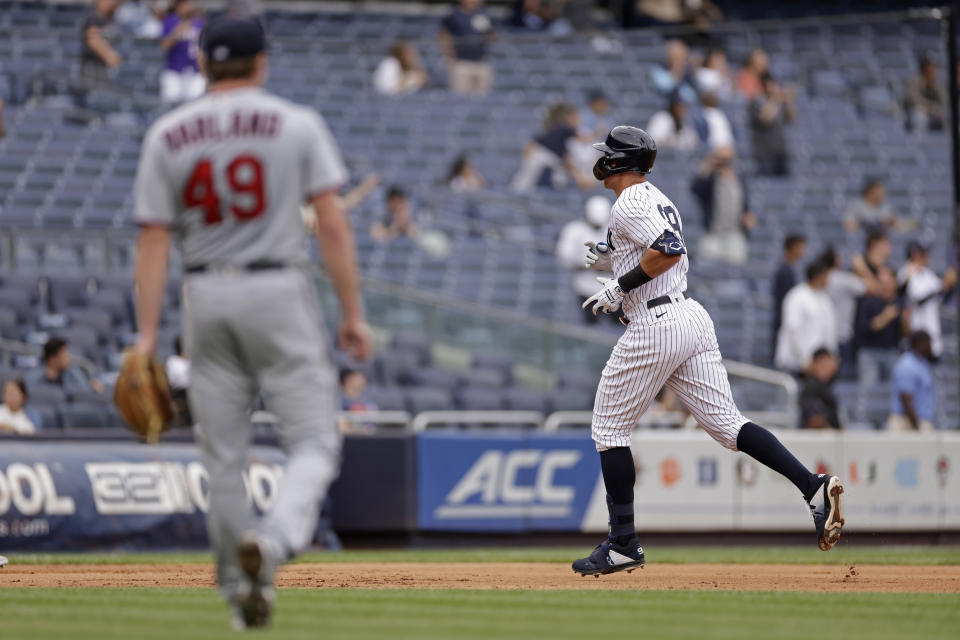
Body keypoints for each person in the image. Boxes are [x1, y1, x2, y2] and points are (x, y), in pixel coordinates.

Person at [131, 15, 372, 629]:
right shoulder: (296, 123)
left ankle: (241, 592)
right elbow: (335, 224)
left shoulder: (168, 133)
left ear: (205, 64)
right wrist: (352, 314)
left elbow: (153, 238)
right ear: (262, 62)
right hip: (277, 285)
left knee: (223, 457)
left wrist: (148, 336)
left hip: (204, 293)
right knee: (315, 440)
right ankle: (274, 542)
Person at [572, 126, 844, 577]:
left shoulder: (629, 200)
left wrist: (619, 284)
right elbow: (657, 248)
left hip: (658, 321)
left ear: (620, 162)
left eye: (608, 155)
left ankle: (623, 542)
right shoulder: (656, 197)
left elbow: (669, 249)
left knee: (609, 427)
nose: (601, 160)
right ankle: (812, 486)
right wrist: (611, 255)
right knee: (728, 425)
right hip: (688, 317)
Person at [854, 266, 908, 422]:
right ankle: (862, 421)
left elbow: (904, 334)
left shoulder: (899, 303)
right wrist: (885, 317)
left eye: (887, 281)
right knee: (868, 390)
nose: (884, 285)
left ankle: (893, 419)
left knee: (895, 389)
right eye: (881, 281)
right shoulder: (869, 302)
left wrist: (905, 321)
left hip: (892, 352)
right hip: (869, 353)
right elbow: (863, 329)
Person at [690, 146, 755, 266]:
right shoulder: (710, 179)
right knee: (706, 270)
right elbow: (695, 189)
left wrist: (747, 215)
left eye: (727, 159)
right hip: (713, 233)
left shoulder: (739, 179)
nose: (724, 162)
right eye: (721, 158)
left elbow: (744, 203)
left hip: (735, 233)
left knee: (736, 271)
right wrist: (708, 166)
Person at [556, 195, 615, 323]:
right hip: (585, 287)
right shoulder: (574, 230)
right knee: (589, 325)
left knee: (619, 327)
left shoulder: (617, 231)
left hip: (613, 289)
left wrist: (607, 265)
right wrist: (591, 265)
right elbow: (565, 257)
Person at [511, 103, 594, 192]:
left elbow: (566, 158)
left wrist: (579, 177)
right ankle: (517, 191)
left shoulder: (563, 135)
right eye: (576, 117)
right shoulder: (564, 128)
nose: (578, 120)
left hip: (552, 157)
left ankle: (555, 195)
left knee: (560, 176)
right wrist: (597, 133)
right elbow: (582, 138)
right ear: (570, 117)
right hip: (542, 153)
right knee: (526, 177)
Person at [775, 261, 837, 375]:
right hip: (794, 364)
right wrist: (804, 360)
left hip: (817, 365)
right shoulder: (796, 296)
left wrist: (829, 358)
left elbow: (828, 332)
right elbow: (793, 329)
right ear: (818, 276)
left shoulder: (825, 299)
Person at [898, 241, 956, 359]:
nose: (927, 256)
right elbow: (918, 300)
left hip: (932, 332)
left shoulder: (927, 274)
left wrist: (950, 285)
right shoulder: (906, 272)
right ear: (916, 255)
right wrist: (943, 286)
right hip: (917, 333)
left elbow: (942, 296)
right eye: (924, 253)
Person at [820, 247, 873, 370]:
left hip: (823, 335)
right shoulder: (842, 279)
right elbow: (872, 287)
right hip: (841, 336)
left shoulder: (821, 279)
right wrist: (862, 267)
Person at [438, 0, 496, 96]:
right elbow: (443, 35)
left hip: (482, 62)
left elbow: (493, 37)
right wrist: (450, 56)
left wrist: (486, 28)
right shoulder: (453, 14)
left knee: (484, 98)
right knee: (460, 98)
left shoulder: (484, 14)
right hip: (461, 62)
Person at [159, 0, 206, 104]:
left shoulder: (199, 22)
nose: (189, 6)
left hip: (195, 72)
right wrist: (178, 31)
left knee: (196, 103)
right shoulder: (170, 21)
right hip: (174, 71)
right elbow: (164, 46)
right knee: (171, 103)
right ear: (178, 5)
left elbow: (203, 48)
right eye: (186, 4)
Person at [888, 331, 936, 432]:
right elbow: (906, 398)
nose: (931, 346)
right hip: (906, 422)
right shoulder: (907, 365)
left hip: (919, 420)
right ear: (919, 343)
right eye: (928, 343)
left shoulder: (923, 363)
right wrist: (916, 427)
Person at [749, 73, 795, 176]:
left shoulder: (779, 103)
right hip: (765, 154)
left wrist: (788, 101)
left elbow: (791, 119)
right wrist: (776, 99)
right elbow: (765, 119)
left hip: (780, 152)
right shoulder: (757, 102)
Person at [26, 337, 105, 395]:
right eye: (64, 356)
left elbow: (82, 391)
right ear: (53, 359)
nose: (68, 359)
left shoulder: (73, 373)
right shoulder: (34, 376)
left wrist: (92, 388)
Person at [771, 234, 806, 358]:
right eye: (801, 247)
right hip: (783, 323)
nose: (804, 250)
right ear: (793, 247)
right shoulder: (785, 271)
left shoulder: (790, 269)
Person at [80, 0, 122, 90]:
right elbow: (93, 40)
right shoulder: (93, 18)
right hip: (92, 68)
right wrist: (109, 55)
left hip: (104, 69)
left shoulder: (111, 18)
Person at [799, 348, 841, 430]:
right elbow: (813, 420)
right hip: (817, 438)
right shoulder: (811, 387)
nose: (830, 367)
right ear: (815, 364)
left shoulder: (825, 387)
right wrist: (832, 432)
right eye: (824, 363)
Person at [649, 39, 697, 103]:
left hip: (683, 109)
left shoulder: (687, 73)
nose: (682, 60)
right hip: (663, 108)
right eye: (678, 57)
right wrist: (676, 69)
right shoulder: (658, 69)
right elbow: (666, 88)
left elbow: (691, 96)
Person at [905, 55, 945, 132]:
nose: (933, 70)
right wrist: (933, 109)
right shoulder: (914, 82)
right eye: (930, 67)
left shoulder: (938, 84)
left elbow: (945, 100)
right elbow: (915, 101)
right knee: (919, 114)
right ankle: (919, 141)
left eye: (934, 67)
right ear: (924, 68)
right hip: (918, 114)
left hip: (936, 113)